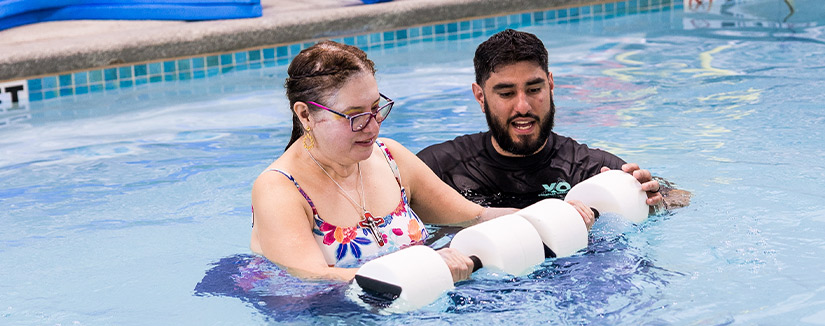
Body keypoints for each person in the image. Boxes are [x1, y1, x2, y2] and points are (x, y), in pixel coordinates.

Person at [250, 41, 598, 283]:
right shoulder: (279, 190)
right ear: (306, 115)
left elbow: (473, 215)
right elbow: (314, 280)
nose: (372, 126)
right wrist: (427, 265)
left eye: (376, 108)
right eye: (355, 115)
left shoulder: (389, 156)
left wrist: (553, 212)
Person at [417, 29, 690, 210]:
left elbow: (680, 197)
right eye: (506, 93)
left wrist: (651, 199)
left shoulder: (588, 169)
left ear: (550, 85)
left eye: (534, 89)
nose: (522, 106)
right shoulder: (441, 168)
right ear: (480, 97)